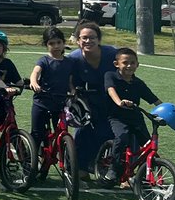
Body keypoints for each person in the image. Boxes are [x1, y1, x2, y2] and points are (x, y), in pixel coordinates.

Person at [101, 46, 161, 187]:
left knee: (148, 145)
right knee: (122, 138)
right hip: (117, 117)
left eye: (132, 63)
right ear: (117, 64)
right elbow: (111, 90)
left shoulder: (138, 83)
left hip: (136, 118)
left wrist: (167, 110)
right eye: (125, 62)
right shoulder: (110, 75)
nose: (129, 66)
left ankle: (144, 174)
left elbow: (153, 99)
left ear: (137, 65)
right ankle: (113, 169)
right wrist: (119, 102)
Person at [66, 21, 119, 177]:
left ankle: (118, 170)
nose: (88, 41)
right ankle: (81, 166)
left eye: (92, 38)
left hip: (110, 98)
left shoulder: (111, 54)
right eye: (84, 38)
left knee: (114, 132)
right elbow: (69, 81)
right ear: (77, 40)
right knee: (83, 131)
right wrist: (74, 96)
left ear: (99, 39)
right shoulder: (74, 58)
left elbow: (125, 73)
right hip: (86, 100)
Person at [29, 26, 76, 154]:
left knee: (61, 131)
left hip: (60, 103)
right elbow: (35, 72)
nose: (56, 46)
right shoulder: (44, 60)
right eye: (51, 43)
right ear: (46, 45)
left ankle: (64, 158)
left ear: (63, 43)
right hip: (42, 102)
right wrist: (34, 82)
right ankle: (31, 161)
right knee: (37, 133)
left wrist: (72, 90)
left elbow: (70, 81)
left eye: (59, 42)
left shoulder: (69, 62)